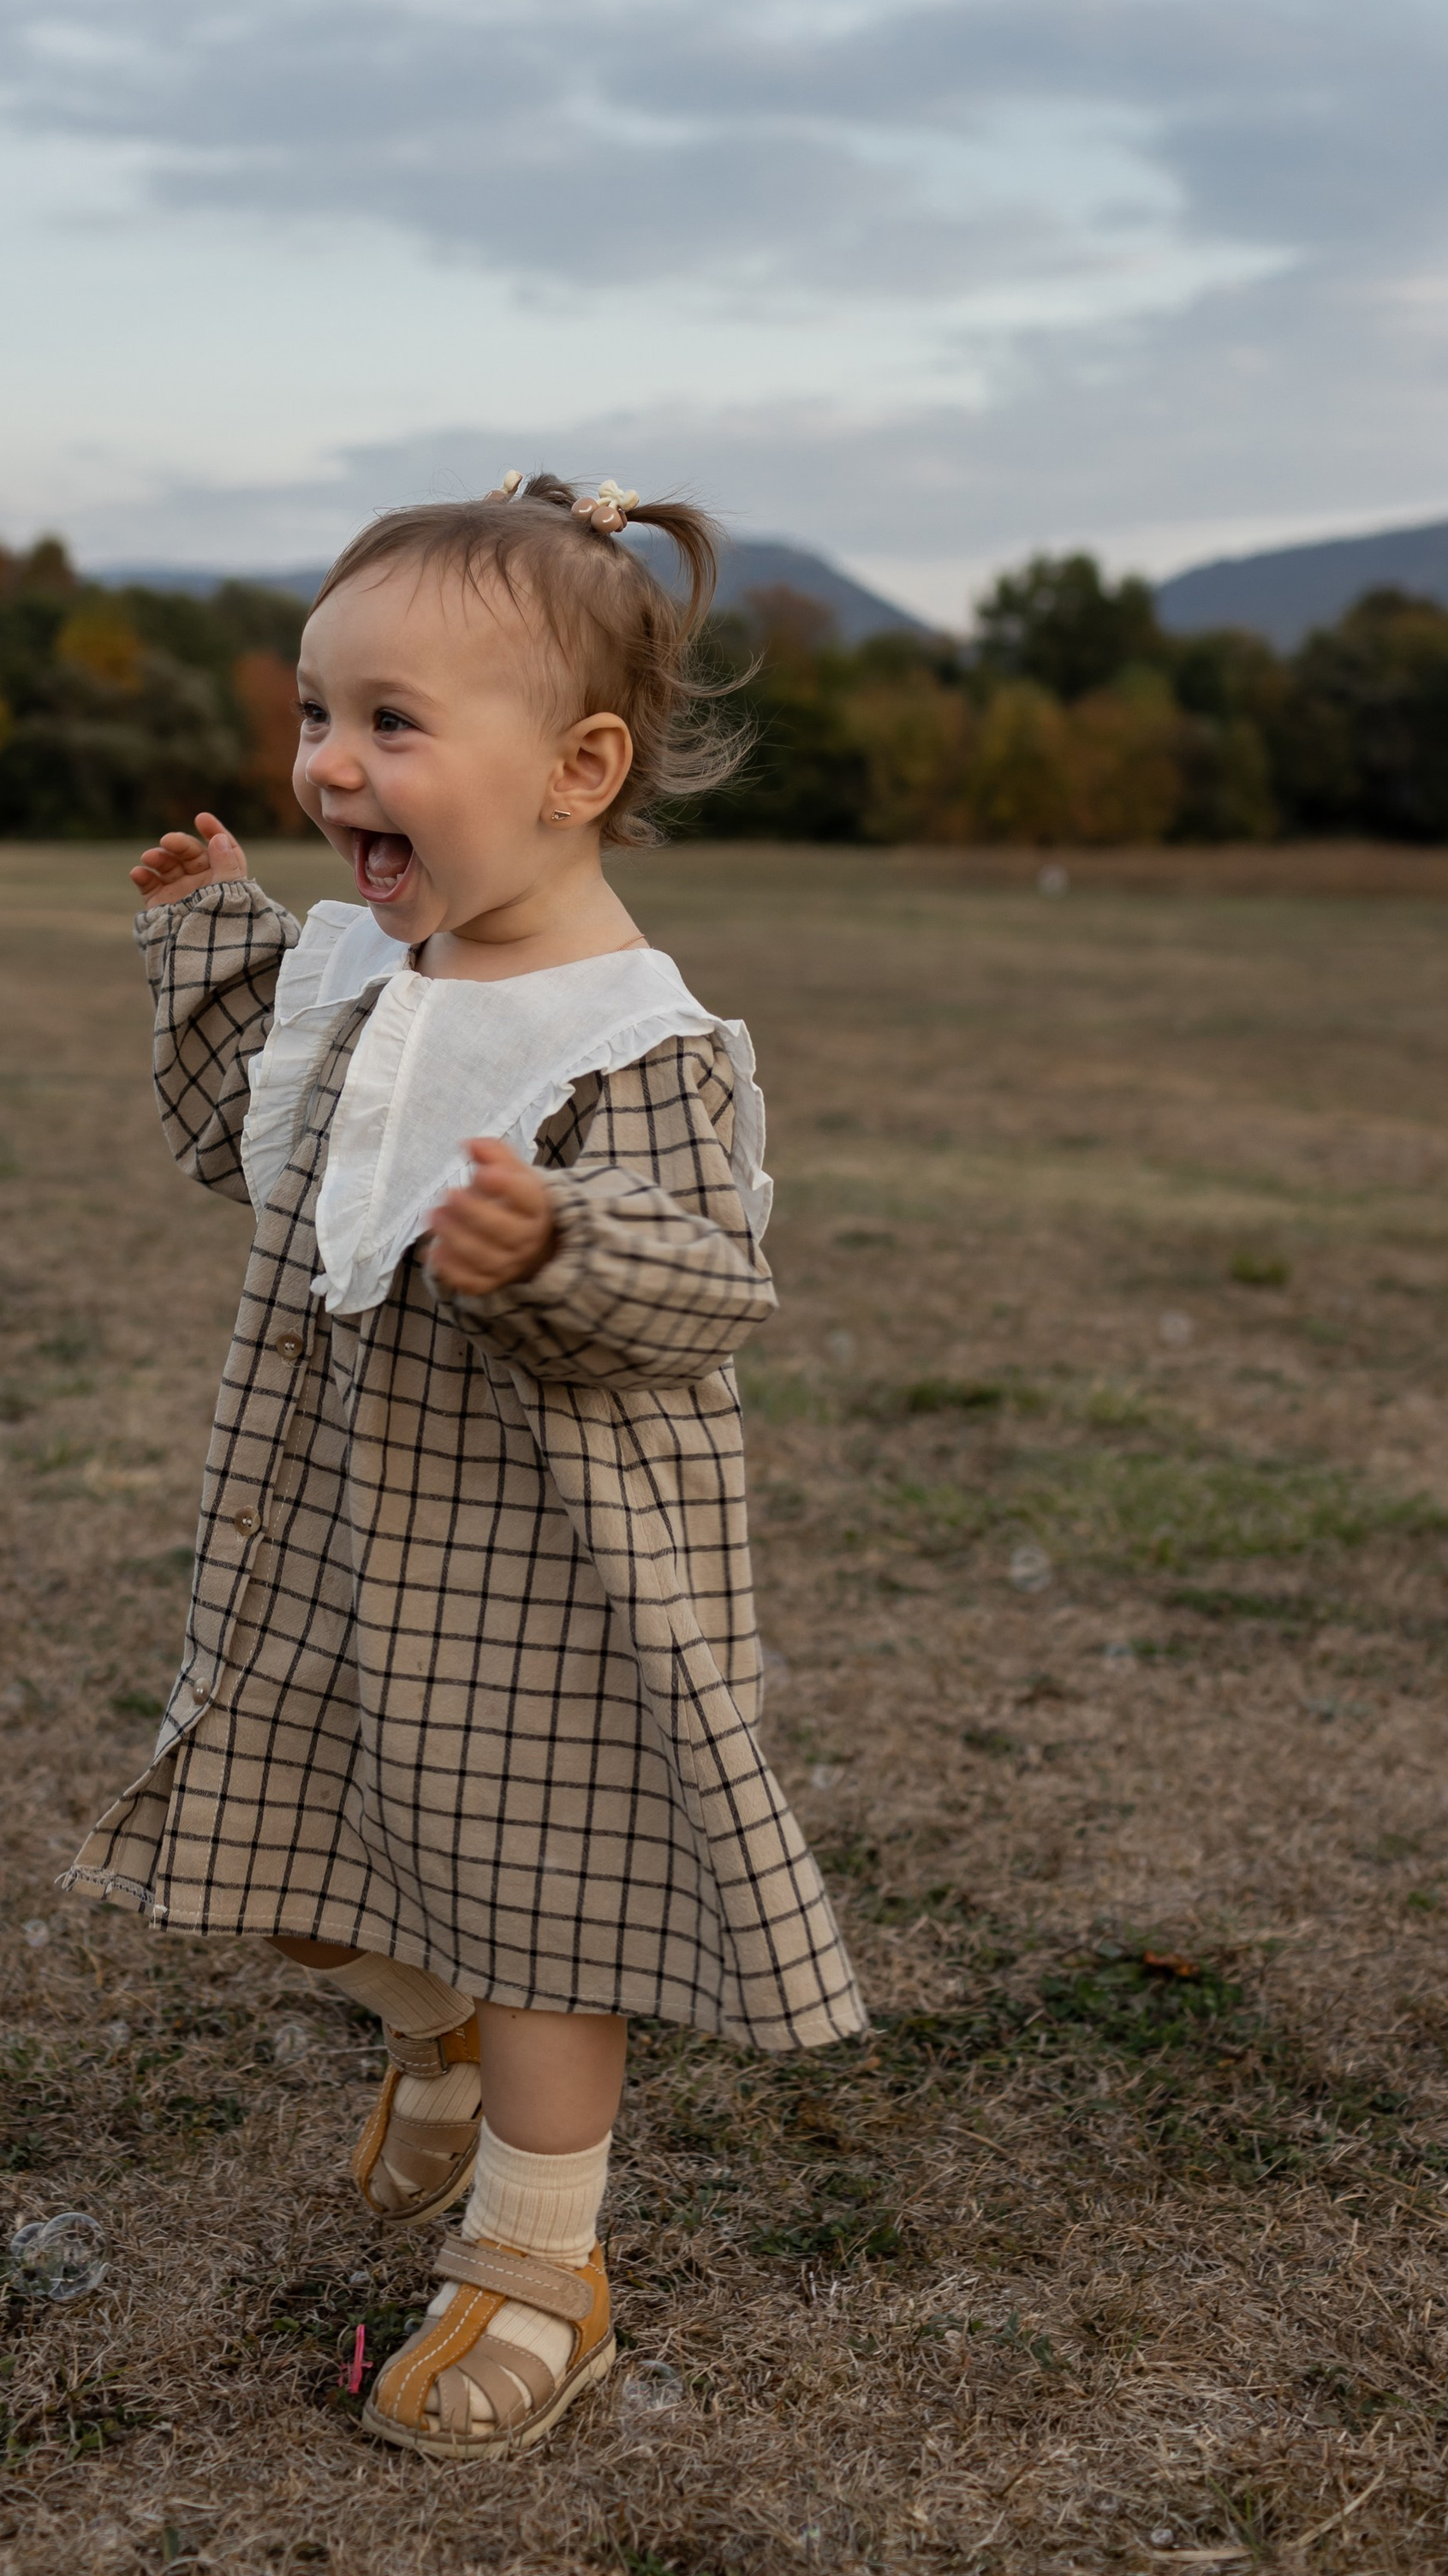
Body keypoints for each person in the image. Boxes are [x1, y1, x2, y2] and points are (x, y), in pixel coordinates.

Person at [62, 469, 863, 2460]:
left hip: (538, 1576)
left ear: (577, 766)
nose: (332, 763)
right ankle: (422, 2032)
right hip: (330, 1526)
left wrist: (560, 1245)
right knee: (275, 1834)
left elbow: (707, 1282)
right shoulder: (367, 976)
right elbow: (236, 1141)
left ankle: (538, 2261)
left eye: (391, 724)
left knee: (535, 1913)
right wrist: (222, 942)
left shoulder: (632, 1042)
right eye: (318, 714)